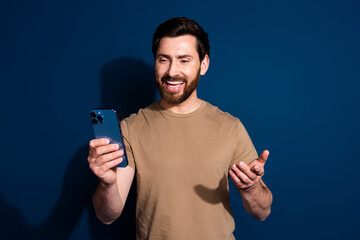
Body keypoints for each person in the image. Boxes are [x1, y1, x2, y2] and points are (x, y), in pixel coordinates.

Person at [88, 17, 273, 239]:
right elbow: (107, 215)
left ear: (203, 64)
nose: (172, 71)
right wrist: (107, 183)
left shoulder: (230, 127)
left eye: (184, 60)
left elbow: (262, 212)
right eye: (163, 60)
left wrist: (251, 189)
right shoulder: (131, 128)